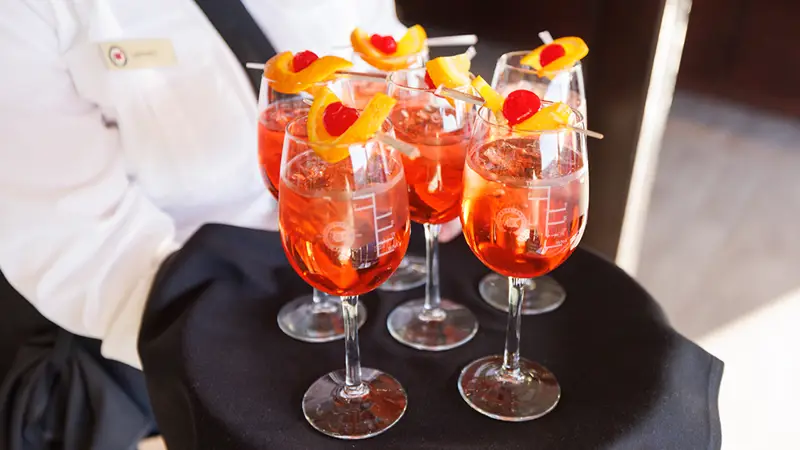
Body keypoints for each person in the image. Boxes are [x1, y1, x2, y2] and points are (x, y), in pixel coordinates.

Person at [0, 0, 434, 447]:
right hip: (193, 302)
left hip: (359, 244)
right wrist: (217, 345)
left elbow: (386, 56)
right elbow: (69, 233)